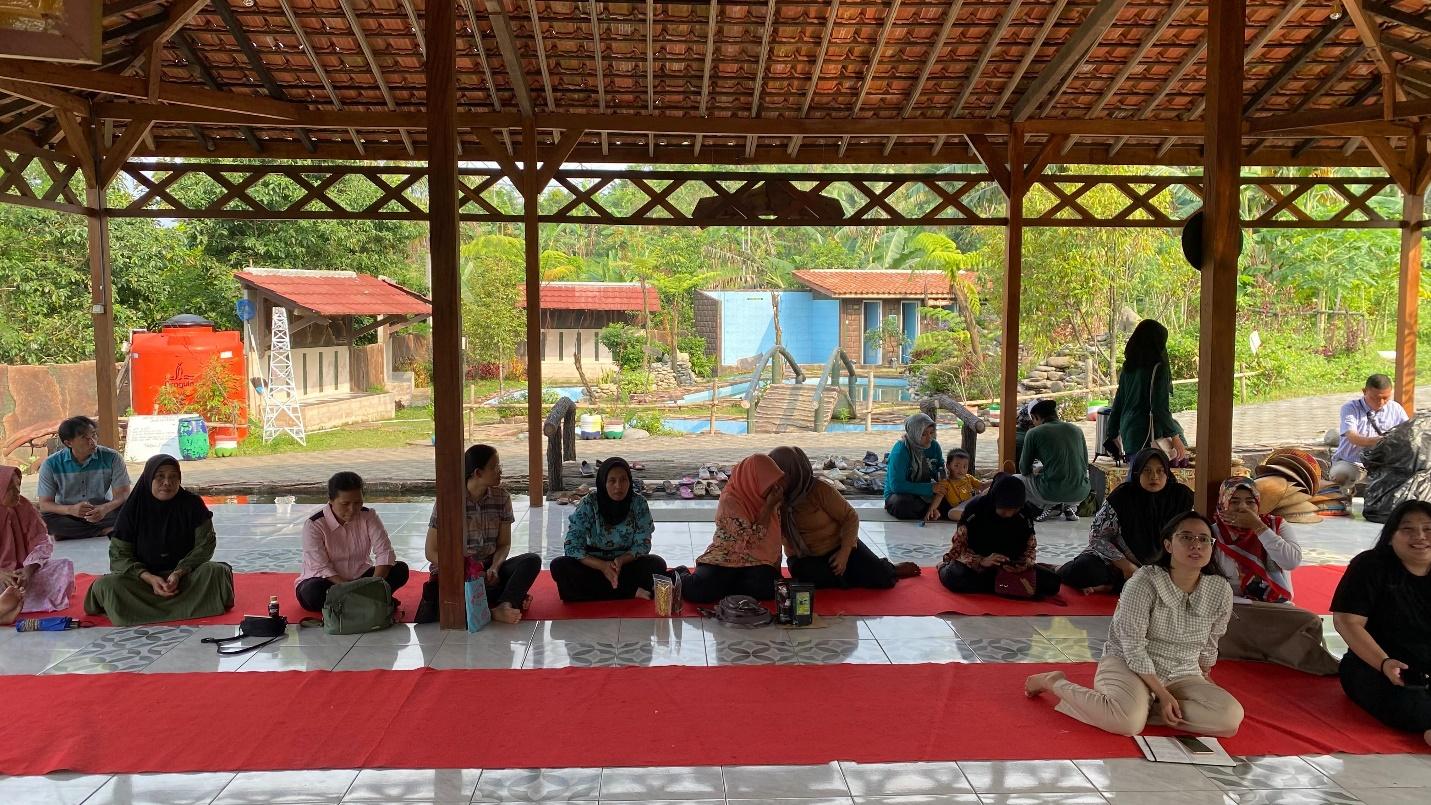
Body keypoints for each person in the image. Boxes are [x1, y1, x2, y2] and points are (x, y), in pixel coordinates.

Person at [1026, 512, 1244, 737]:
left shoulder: (1219, 589)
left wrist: (1205, 677)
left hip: (1183, 671)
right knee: (1128, 725)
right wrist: (1163, 692)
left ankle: (1137, 709)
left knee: (1229, 718)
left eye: (1203, 539)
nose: (1196, 545)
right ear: (1168, 545)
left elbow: (1211, 641)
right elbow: (1132, 646)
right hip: (1127, 664)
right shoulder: (1144, 581)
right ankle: (1054, 682)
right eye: (1186, 537)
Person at [83, 455, 234, 627]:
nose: (167, 482)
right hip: (142, 582)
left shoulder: (192, 504)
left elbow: (205, 545)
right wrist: (149, 578)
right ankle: (193, 606)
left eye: (173, 477)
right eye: (160, 476)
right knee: (107, 585)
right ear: (149, 478)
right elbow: (119, 555)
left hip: (185, 578)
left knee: (216, 571)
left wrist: (178, 573)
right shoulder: (133, 508)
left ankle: (140, 612)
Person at [1211, 477, 1339, 675]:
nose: (1243, 507)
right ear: (1223, 502)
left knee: (1309, 621)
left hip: (1274, 606)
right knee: (1215, 622)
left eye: (1250, 501)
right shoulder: (1213, 533)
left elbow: (1291, 561)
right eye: (1234, 501)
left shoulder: (1276, 525)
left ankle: (1258, 648)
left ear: (1258, 503)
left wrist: (1259, 528)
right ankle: (1274, 649)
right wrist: (1246, 604)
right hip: (1235, 608)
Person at [1331, 499, 1431, 745]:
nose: (1420, 536)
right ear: (1391, 536)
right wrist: (1384, 663)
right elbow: (1347, 622)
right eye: (1408, 529)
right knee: (1411, 704)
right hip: (1378, 665)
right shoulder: (1370, 566)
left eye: (1428, 529)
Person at [418, 444, 540, 624]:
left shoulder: (502, 498)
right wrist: (467, 570)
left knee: (531, 561)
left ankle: (504, 603)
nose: (500, 471)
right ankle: (496, 607)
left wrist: (494, 568)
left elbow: (504, 544)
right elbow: (431, 552)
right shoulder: (449, 500)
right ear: (478, 473)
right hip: (456, 570)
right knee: (442, 603)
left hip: (488, 569)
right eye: (495, 467)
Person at [770, 446, 919, 589]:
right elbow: (770, 536)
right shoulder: (773, 496)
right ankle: (849, 576)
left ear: (792, 473)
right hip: (804, 558)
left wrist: (844, 553)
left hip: (838, 547)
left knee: (881, 578)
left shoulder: (819, 490)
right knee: (807, 578)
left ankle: (889, 568)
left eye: (779, 474)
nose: (774, 479)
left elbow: (850, 517)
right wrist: (772, 504)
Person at [1058, 448, 1192, 594]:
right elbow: (1097, 537)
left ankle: (1110, 587)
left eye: (1160, 471)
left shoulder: (1182, 497)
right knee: (1086, 569)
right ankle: (1060, 570)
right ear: (1137, 472)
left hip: (1166, 564)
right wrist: (1126, 566)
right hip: (1119, 563)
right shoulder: (1122, 497)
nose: (1154, 476)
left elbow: (1196, 532)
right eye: (1147, 470)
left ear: (1167, 473)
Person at [550, 457, 667, 602]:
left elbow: (643, 544)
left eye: (623, 480)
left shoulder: (638, 503)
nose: (618, 486)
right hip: (593, 565)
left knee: (657, 564)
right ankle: (629, 590)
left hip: (624, 564)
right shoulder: (589, 503)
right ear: (603, 482)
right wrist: (602, 566)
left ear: (630, 481)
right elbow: (572, 546)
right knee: (559, 566)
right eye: (612, 481)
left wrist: (621, 560)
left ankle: (600, 591)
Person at [295, 472, 409, 612]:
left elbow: (384, 552)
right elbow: (321, 567)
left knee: (400, 570)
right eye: (345, 504)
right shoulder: (314, 524)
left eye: (358, 503)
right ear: (331, 500)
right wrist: (351, 589)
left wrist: (373, 584)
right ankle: (372, 600)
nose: (352, 509)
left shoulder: (369, 516)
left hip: (362, 579)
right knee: (312, 593)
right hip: (328, 581)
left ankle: (353, 603)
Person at [681, 454, 785, 602]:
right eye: (768, 482)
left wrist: (776, 571)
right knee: (699, 591)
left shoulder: (770, 497)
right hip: (726, 557)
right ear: (753, 479)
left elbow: (774, 541)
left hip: (756, 560)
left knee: (769, 588)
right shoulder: (731, 500)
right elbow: (749, 541)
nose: (775, 487)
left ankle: (726, 588)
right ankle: (682, 574)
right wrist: (768, 508)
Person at [937, 475, 1061, 597]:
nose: (1009, 515)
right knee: (955, 577)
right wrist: (981, 561)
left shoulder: (1024, 513)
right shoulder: (976, 510)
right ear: (995, 501)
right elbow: (958, 550)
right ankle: (943, 567)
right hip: (977, 567)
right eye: (1004, 511)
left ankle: (997, 585)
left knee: (1052, 583)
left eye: (1015, 510)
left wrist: (1022, 565)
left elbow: (1030, 548)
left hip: (1010, 568)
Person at [36, 415, 132, 540]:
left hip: (103, 512)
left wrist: (104, 508)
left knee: (133, 510)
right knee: (44, 520)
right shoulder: (50, 464)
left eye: (93, 435)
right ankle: (102, 531)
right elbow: (45, 504)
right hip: (68, 514)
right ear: (68, 443)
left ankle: (73, 533)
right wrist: (71, 510)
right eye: (84, 438)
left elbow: (123, 494)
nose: (92, 441)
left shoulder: (112, 458)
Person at [1105, 320, 1188, 463]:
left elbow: (1118, 403)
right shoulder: (1158, 368)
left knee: (1136, 476)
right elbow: (1159, 408)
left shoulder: (1129, 367)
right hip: (1149, 435)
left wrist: (1112, 433)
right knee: (1154, 478)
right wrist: (1175, 437)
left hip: (1129, 432)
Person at [0, 465, 75, 617]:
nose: (18, 492)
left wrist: (28, 570)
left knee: (63, 566)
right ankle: (8, 606)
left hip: (21, 574)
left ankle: (9, 605)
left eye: (18, 486)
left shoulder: (24, 506)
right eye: (11, 489)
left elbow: (42, 542)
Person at [1330, 374, 1410, 489]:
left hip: (1385, 464)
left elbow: (1409, 434)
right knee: (1341, 476)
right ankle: (1344, 503)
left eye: (1385, 398)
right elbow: (1352, 437)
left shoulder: (1396, 408)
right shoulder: (1350, 408)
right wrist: (1380, 441)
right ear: (1364, 391)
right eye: (1376, 398)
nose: (1381, 402)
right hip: (1353, 463)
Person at [1018, 398, 1091, 522]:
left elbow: (1024, 469)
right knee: (1077, 475)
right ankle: (1070, 506)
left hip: (1050, 493)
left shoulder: (1033, 433)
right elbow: (1084, 465)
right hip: (1081, 492)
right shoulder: (1077, 430)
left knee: (1016, 480)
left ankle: (1049, 505)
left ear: (1035, 417)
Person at [884, 413, 945, 521]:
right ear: (914, 433)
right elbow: (897, 486)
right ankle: (932, 511)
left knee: (954, 497)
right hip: (901, 494)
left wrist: (942, 478)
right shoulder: (901, 451)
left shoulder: (934, 446)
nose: (929, 438)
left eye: (931, 433)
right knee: (903, 504)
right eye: (924, 434)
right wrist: (930, 488)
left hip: (925, 493)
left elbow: (939, 468)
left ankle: (932, 510)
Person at [928, 448, 984, 522]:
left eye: (964, 467)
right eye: (956, 466)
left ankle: (977, 515)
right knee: (952, 514)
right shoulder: (946, 483)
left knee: (986, 492)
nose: (961, 470)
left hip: (973, 502)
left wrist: (996, 479)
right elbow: (939, 497)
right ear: (948, 466)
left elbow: (982, 485)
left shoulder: (968, 478)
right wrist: (931, 510)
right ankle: (977, 517)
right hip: (960, 508)